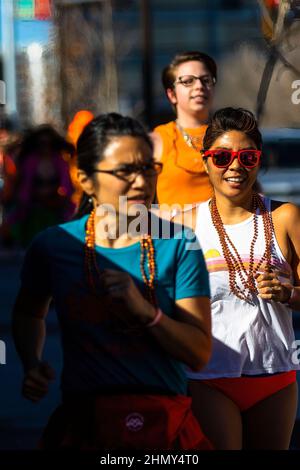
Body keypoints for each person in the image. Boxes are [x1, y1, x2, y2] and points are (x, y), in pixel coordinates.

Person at [12, 113, 212, 450]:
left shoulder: (180, 243)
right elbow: (29, 313)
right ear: (86, 179)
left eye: (149, 168)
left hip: (166, 430)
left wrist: (147, 313)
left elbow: (198, 352)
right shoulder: (54, 245)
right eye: (124, 171)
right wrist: (31, 362)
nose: (141, 182)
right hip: (85, 427)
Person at [174, 107, 300, 450]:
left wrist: (289, 294)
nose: (235, 166)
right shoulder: (183, 225)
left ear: (258, 161)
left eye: (247, 157)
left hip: (275, 376)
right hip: (209, 377)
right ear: (205, 161)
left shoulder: (285, 217)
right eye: (222, 156)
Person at [151, 51, 216, 210]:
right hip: (173, 232)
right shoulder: (157, 140)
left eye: (205, 80)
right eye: (188, 81)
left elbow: (253, 192)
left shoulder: (228, 137)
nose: (199, 86)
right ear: (171, 94)